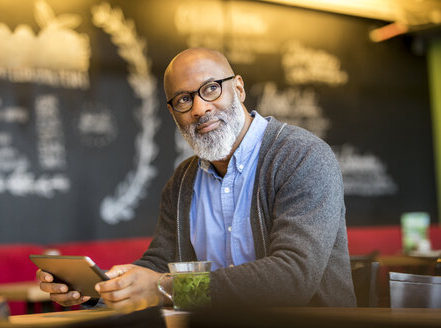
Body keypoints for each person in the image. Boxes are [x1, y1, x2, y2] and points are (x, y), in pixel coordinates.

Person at [37, 47, 357, 313]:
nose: (200, 108)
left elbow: (293, 278)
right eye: (183, 99)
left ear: (239, 88)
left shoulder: (303, 157)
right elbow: (161, 262)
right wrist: (99, 288)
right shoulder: (183, 182)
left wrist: (165, 288)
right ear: (173, 112)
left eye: (211, 88)